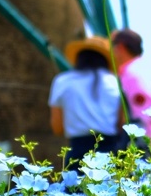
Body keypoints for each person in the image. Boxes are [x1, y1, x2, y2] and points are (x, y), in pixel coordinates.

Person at [49, 36, 123, 165]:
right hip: (110, 151)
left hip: (78, 152)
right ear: (106, 60)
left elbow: (57, 128)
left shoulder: (62, 81)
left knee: (74, 184)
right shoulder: (115, 82)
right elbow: (121, 123)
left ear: (79, 57)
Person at [110, 28, 151, 155]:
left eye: (113, 46)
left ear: (121, 47)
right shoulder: (145, 69)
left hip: (142, 147)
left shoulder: (132, 75)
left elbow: (143, 114)